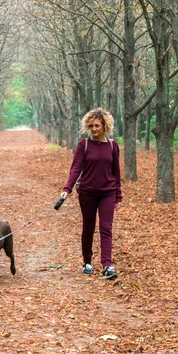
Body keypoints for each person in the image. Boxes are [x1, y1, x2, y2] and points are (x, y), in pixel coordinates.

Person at [60, 107, 122, 280]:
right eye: (91, 126)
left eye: (97, 126)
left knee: (106, 228)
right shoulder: (84, 145)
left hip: (107, 193)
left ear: (105, 126)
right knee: (88, 227)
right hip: (87, 192)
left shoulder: (112, 145)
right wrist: (67, 189)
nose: (94, 129)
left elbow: (116, 172)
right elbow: (75, 169)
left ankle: (107, 265)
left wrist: (118, 194)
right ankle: (87, 261)